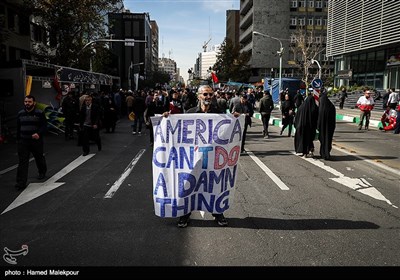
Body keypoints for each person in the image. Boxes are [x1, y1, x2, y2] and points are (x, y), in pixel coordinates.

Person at [173, 85, 228, 228]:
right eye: (205, 94)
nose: (208, 97)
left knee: (214, 185)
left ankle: (218, 213)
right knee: (189, 186)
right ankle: (184, 215)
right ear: (199, 96)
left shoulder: (219, 114)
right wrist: (167, 119)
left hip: (211, 158)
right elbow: (179, 130)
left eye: (210, 94)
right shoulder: (190, 113)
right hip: (193, 158)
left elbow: (226, 130)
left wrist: (235, 119)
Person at [15, 95, 47, 190]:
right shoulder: (20, 113)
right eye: (25, 102)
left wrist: (39, 133)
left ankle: (42, 172)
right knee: (22, 163)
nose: (27, 103)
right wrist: (18, 140)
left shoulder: (39, 113)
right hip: (23, 141)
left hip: (36, 141)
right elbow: (18, 128)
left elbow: (44, 126)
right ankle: (21, 183)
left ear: (34, 103)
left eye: (29, 102)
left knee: (39, 158)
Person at [294, 92, 319, 157]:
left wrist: (296, 125)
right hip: (310, 128)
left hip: (301, 127)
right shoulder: (314, 108)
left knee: (303, 139)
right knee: (309, 139)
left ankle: (304, 151)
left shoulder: (301, 108)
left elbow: (296, 118)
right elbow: (316, 118)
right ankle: (310, 150)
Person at [317, 91, 336, 160]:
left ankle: (323, 153)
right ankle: (327, 153)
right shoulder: (331, 106)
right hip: (330, 128)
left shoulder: (321, 107)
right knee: (328, 140)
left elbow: (318, 118)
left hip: (322, 128)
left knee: (323, 140)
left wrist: (317, 126)